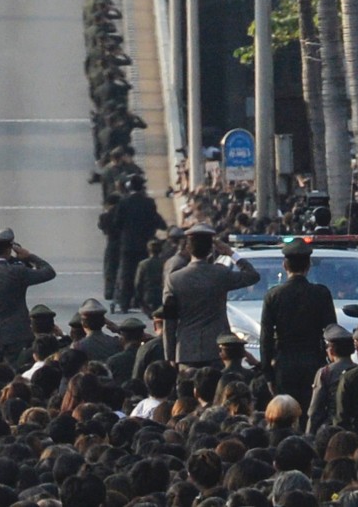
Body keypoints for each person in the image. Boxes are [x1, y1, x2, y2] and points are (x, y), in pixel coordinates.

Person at [163, 224, 260, 369]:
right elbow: (252, 276)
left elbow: (169, 322)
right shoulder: (221, 274)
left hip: (186, 351)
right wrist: (231, 253)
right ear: (211, 249)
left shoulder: (174, 280)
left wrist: (170, 355)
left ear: (188, 248)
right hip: (218, 349)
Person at [259, 238, 337, 411]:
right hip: (314, 362)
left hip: (284, 365)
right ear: (308, 265)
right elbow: (332, 331)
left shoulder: (273, 296)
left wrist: (268, 375)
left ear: (284, 265)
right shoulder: (321, 293)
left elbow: (265, 338)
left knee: (286, 411)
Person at [0, 228, 56, 361]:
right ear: (9, 249)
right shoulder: (18, 272)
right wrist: (29, 256)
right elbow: (49, 272)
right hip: (17, 334)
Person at [111, 174, 167, 313]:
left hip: (127, 245)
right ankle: (141, 301)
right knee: (143, 274)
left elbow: (117, 223)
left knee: (126, 273)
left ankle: (124, 302)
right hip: (144, 244)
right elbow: (154, 220)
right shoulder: (149, 203)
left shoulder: (124, 202)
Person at [304, 324, 355, 434]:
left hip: (331, 428)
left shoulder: (325, 372)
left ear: (331, 350)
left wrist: (309, 434)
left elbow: (315, 410)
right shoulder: (357, 370)